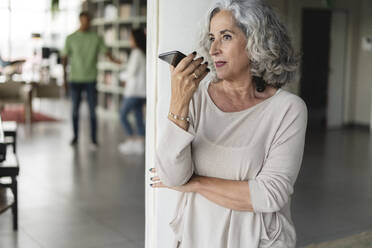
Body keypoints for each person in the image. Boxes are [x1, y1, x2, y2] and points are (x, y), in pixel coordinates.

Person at [150, 0, 308, 247]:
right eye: (212, 38)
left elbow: (269, 195)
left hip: (256, 241)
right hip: (196, 237)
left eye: (226, 37)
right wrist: (179, 101)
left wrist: (195, 182)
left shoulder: (288, 109)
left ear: (257, 41)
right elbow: (171, 176)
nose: (213, 49)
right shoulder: (196, 96)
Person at [61, 11, 120, 148]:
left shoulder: (96, 38)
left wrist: (117, 61)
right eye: (83, 21)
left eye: (87, 21)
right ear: (79, 20)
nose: (85, 23)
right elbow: (64, 59)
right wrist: (64, 80)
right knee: (75, 111)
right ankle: (75, 137)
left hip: (90, 80)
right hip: (74, 79)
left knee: (92, 111)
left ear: (90, 22)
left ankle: (93, 139)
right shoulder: (70, 38)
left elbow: (106, 53)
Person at [118, 28, 146, 154]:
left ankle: (131, 139)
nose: (129, 40)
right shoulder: (142, 53)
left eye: (130, 38)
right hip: (142, 92)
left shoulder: (136, 53)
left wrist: (121, 77)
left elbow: (131, 73)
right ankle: (140, 143)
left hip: (133, 92)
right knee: (138, 117)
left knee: (122, 115)